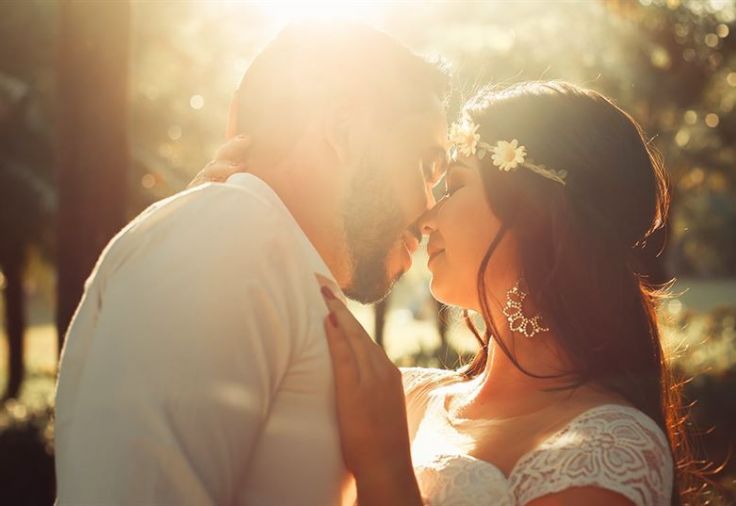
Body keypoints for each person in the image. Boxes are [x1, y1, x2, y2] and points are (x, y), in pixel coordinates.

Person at [205, 81, 699, 505]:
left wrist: (385, 473)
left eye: (455, 185)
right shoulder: (402, 397)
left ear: (533, 213)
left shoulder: (609, 449)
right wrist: (214, 219)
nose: (426, 216)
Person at [54, 21, 448, 506]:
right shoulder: (226, 234)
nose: (433, 211)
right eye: (429, 167)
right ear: (343, 130)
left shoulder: (256, 249)